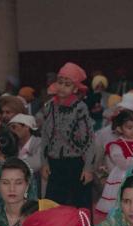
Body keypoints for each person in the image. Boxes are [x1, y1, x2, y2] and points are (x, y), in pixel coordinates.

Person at [41, 62, 95, 210]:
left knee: (77, 206)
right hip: (54, 164)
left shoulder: (80, 108)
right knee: (53, 206)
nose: (62, 87)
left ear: (75, 88)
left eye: (67, 84)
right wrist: (44, 162)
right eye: (60, 82)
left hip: (76, 164)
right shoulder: (49, 106)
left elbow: (89, 140)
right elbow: (45, 137)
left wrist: (88, 168)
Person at [96, 110, 133, 215]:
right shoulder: (116, 145)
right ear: (119, 128)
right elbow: (122, 163)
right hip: (122, 175)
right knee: (122, 201)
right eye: (129, 128)